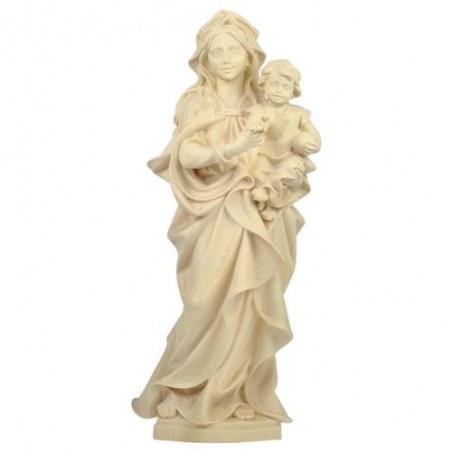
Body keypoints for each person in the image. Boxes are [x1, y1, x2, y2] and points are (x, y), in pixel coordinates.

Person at [132, 10, 312, 426]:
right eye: (217, 51)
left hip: (259, 212)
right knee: (203, 300)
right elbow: (185, 154)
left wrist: (289, 164)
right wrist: (232, 150)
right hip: (212, 210)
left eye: (235, 50)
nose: (227, 59)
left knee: (250, 303)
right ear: (204, 59)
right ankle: (181, 386)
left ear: (251, 57)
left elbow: (289, 147)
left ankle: (234, 391)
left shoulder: (265, 102)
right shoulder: (196, 102)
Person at [246, 60, 321, 221]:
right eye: (274, 84)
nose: (279, 90)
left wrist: (313, 146)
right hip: (265, 156)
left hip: (290, 157)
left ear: (293, 91)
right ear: (263, 85)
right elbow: (251, 122)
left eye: (286, 87)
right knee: (257, 169)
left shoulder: (299, 113)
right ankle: (265, 204)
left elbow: (314, 136)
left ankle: (268, 194)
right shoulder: (260, 109)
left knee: (290, 170)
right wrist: (255, 124)